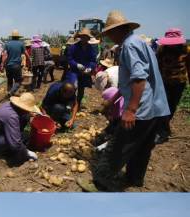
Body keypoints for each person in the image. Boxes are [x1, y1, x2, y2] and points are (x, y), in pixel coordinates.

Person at [94, 10, 170, 191]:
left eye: (110, 33)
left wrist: (131, 110)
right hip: (155, 108)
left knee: (118, 146)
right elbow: (132, 81)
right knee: (142, 147)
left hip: (142, 109)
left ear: (119, 30)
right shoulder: (139, 42)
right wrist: (113, 100)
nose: (110, 37)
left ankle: (102, 182)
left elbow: (139, 79)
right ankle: (134, 178)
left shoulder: (129, 46)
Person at [0, 92, 41, 164]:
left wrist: (29, 115)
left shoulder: (9, 104)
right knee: (23, 138)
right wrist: (26, 153)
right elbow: (15, 144)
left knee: (26, 119)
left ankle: (2, 149)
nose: (29, 111)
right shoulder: (12, 116)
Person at [155, 28, 189, 144]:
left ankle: (163, 128)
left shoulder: (186, 50)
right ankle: (163, 132)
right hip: (164, 82)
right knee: (164, 106)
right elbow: (157, 66)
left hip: (179, 82)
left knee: (172, 106)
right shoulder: (161, 50)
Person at [65, 28, 98, 108]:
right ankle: (69, 102)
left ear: (88, 38)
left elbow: (93, 60)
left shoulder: (91, 49)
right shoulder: (74, 47)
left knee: (81, 88)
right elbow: (69, 59)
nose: (84, 38)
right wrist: (76, 65)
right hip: (74, 70)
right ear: (80, 37)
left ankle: (78, 104)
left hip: (85, 71)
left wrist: (90, 67)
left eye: (86, 37)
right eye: (83, 37)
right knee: (73, 86)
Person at [1, 30, 29, 97]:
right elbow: (26, 54)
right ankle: (11, 92)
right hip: (16, 66)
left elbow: (4, 55)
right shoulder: (21, 44)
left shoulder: (7, 44)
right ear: (18, 37)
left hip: (8, 66)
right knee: (18, 81)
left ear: (12, 37)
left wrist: (2, 65)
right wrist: (29, 62)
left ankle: (9, 94)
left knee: (10, 80)